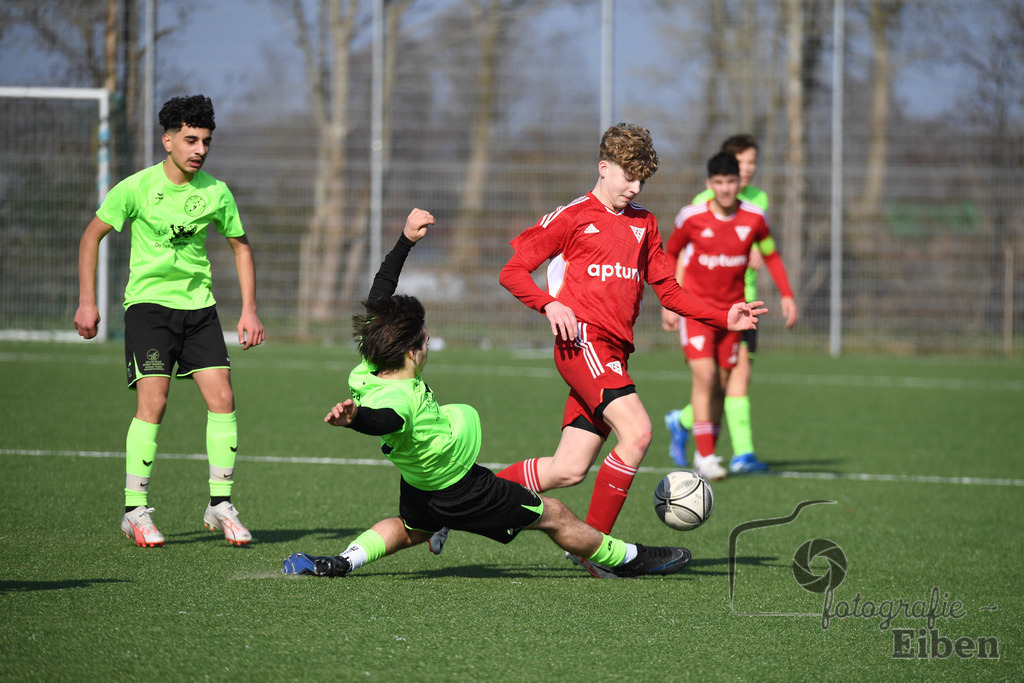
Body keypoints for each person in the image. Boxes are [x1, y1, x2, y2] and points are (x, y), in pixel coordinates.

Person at [282, 209, 691, 579]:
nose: (428, 340)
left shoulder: (368, 367)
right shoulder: (399, 397)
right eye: (424, 337)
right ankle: (626, 558)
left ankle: (340, 562)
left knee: (410, 529)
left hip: (420, 485)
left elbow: (379, 297)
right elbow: (385, 420)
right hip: (463, 489)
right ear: (410, 351)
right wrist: (358, 421)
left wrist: (405, 241)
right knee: (554, 515)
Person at [493, 123, 765, 541]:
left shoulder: (646, 225)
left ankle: (458, 505)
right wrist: (550, 304)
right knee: (638, 432)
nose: (636, 187)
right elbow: (512, 271)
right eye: (628, 176)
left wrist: (721, 315)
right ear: (604, 168)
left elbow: (671, 292)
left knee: (568, 469)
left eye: (642, 179)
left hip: (614, 353)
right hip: (582, 343)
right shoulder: (573, 216)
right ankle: (595, 550)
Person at [74, 95, 265, 547]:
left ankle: (220, 505)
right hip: (148, 309)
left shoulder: (216, 192)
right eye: (190, 139)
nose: (199, 149)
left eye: (206, 142)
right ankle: (134, 510)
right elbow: (90, 237)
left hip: (199, 310)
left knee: (223, 398)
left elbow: (241, 246)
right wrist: (87, 301)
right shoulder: (136, 188)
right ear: (168, 140)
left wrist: (249, 308)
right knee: (154, 404)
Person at [661, 152, 797, 481]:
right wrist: (667, 300)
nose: (724, 189)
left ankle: (706, 451)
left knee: (722, 383)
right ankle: (705, 457)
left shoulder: (753, 217)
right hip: (695, 310)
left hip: (733, 315)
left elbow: (771, 253)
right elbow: (670, 252)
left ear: (740, 183)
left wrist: (787, 294)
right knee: (705, 376)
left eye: (730, 182)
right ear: (709, 184)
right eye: (718, 183)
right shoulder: (691, 217)